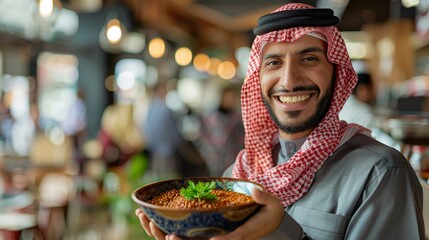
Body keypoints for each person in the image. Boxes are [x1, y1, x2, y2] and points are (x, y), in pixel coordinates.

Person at [136, 3, 425, 240]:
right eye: (274, 63)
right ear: (257, 79)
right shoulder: (238, 175)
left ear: (337, 74)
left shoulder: (380, 174)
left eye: (309, 59)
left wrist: (279, 230)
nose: (289, 80)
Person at [197, 85, 244, 176]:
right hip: (214, 160)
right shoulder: (210, 117)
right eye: (227, 97)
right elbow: (202, 136)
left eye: (231, 97)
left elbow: (241, 138)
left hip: (232, 160)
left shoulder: (237, 118)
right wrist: (209, 153)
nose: (229, 100)